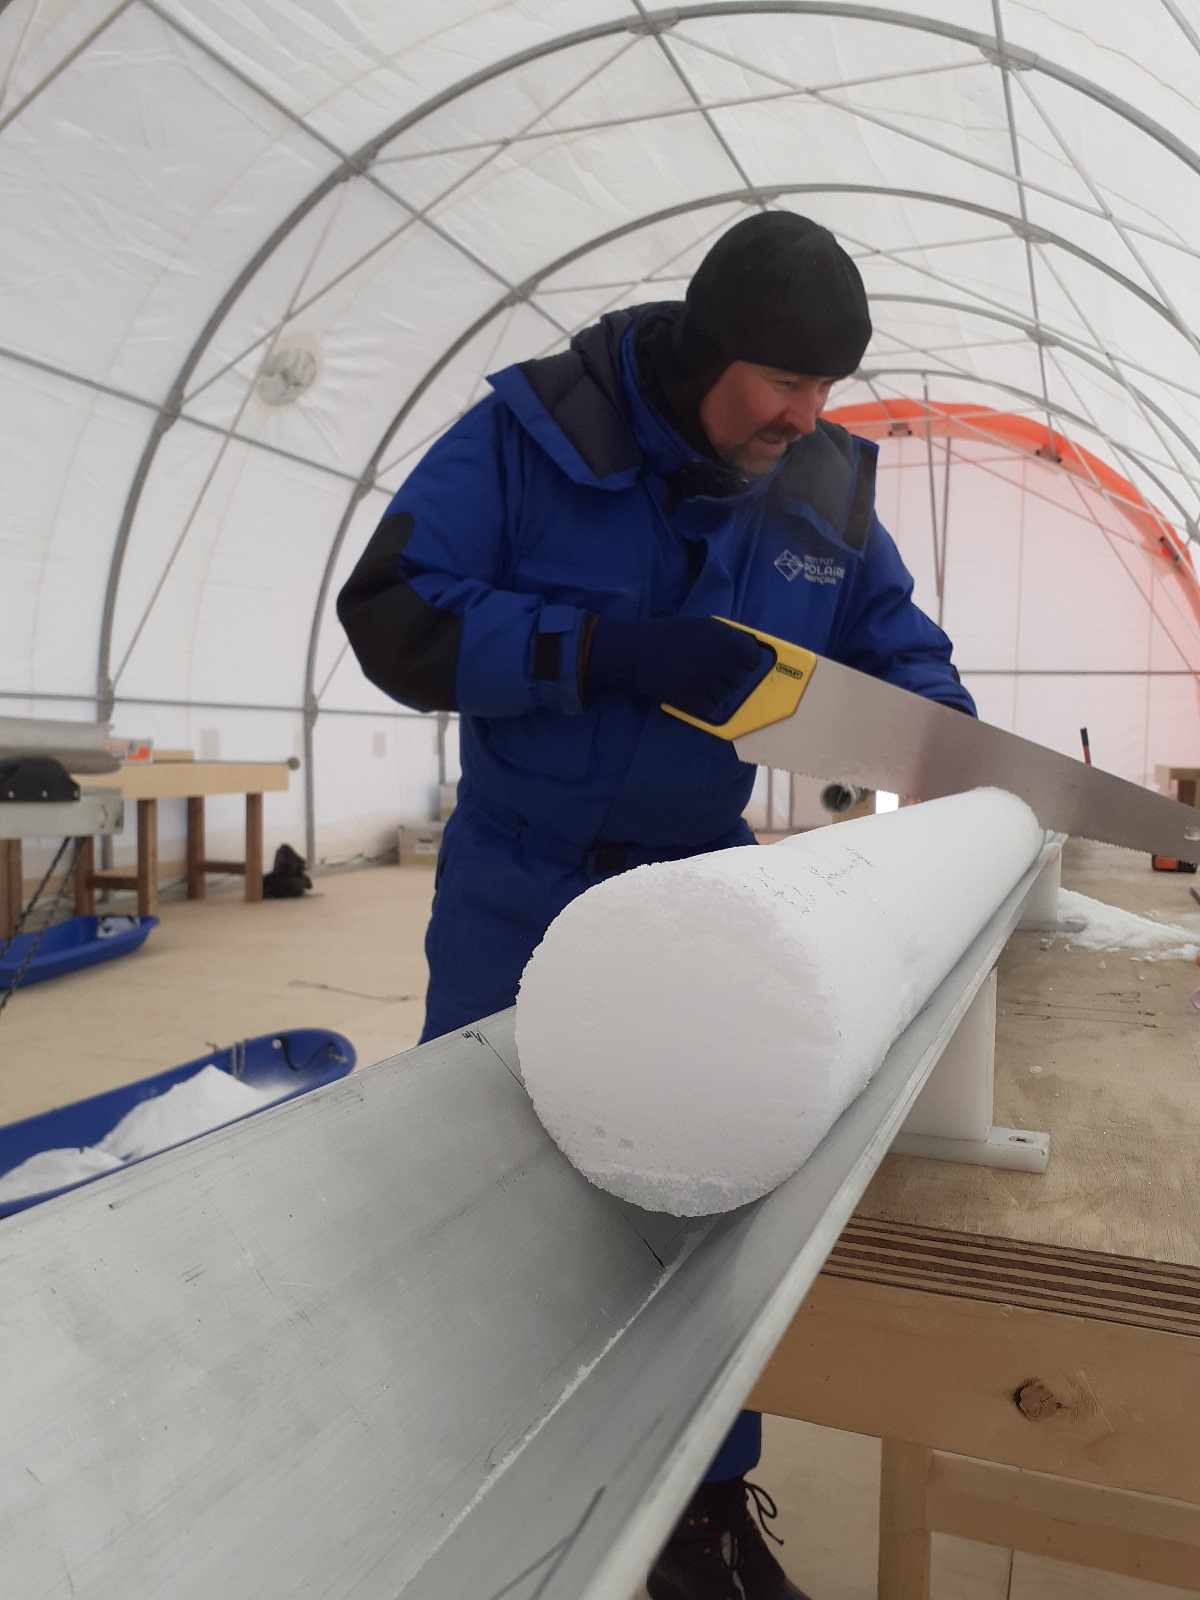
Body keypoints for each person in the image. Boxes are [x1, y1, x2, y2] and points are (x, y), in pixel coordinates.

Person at [338, 211, 975, 1600]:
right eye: (782, 384)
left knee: (691, 1200)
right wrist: (602, 649)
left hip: (692, 892)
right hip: (521, 880)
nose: (806, 417)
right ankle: (478, 1494)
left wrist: (956, 759)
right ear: (701, 349)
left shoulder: (821, 486)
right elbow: (394, 615)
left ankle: (694, 1516)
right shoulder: (527, 435)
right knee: (485, 1190)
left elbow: (892, 650)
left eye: (827, 391)